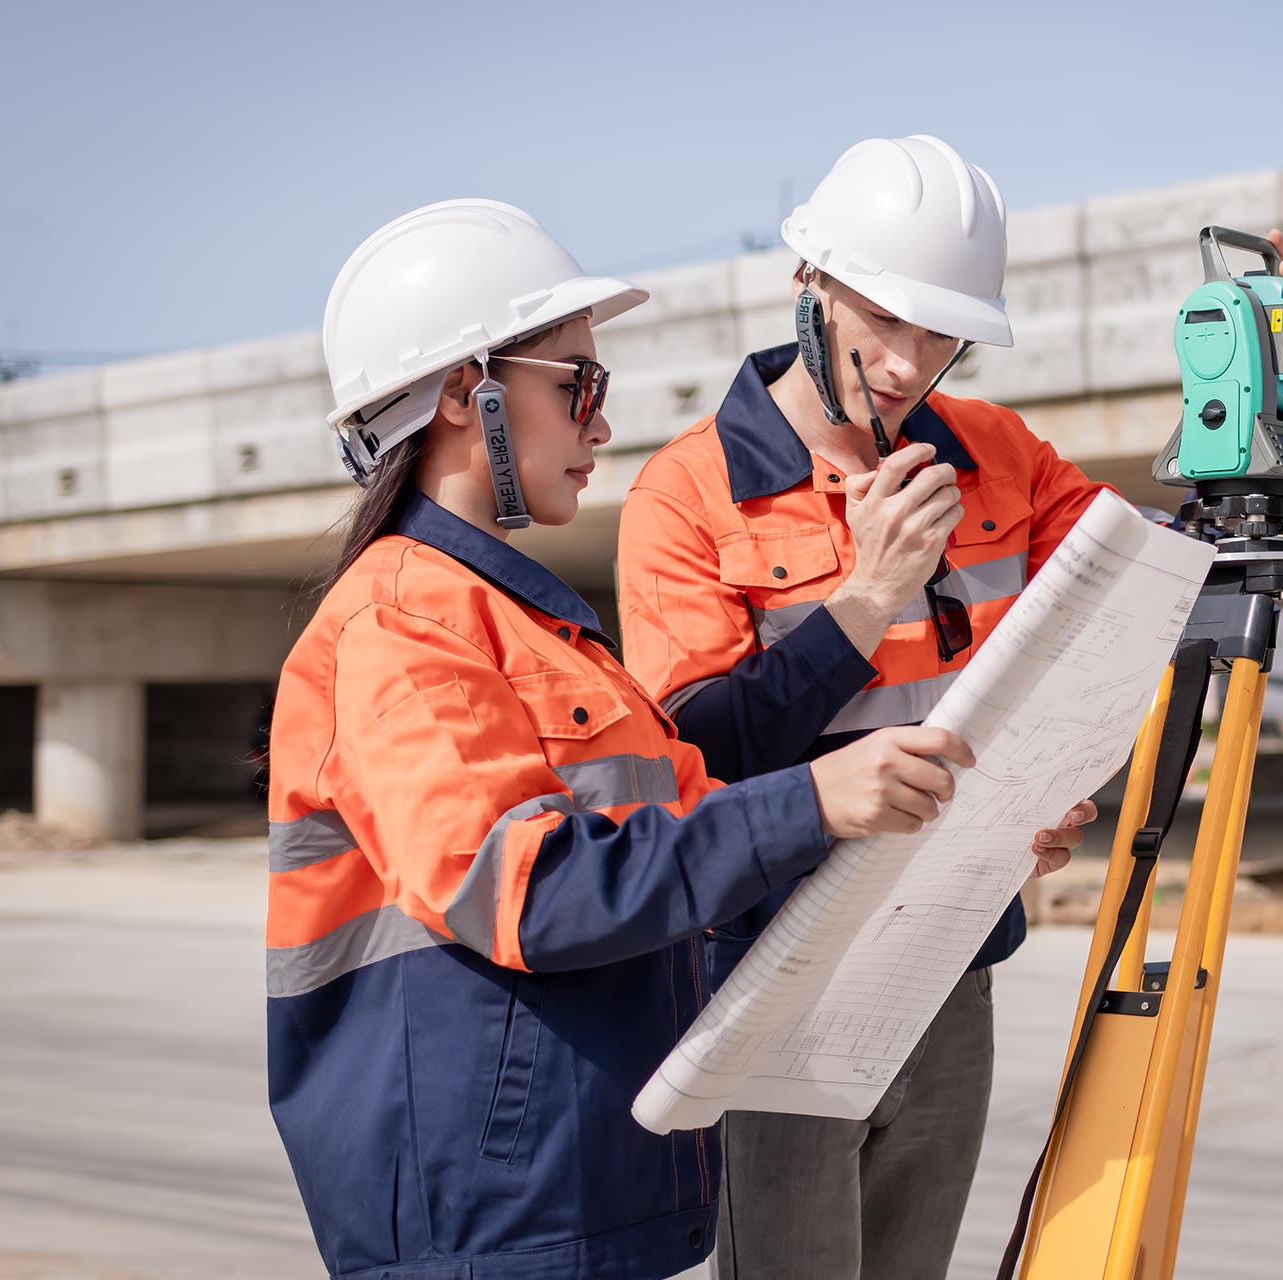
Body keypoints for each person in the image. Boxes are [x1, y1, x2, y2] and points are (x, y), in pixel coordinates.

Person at [616, 137, 1283, 1278]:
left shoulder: (1000, 453)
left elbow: (1138, 588)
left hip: (955, 964)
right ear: (810, 280)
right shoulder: (686, 495)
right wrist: (863, 604)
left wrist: (1258, 411)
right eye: (885, 321)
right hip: (784, 974)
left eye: (940, 331)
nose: (910, 362)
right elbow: (695, 760)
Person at [264, 197, 973, 1280]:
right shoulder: (399, 624)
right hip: (485, 1221)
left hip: (577, 1194)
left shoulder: (534, 628)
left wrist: (963, 822)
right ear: (466, 391)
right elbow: (529, 887)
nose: (600, 423)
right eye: (577, 384)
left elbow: (693, 819)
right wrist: (819, 797)